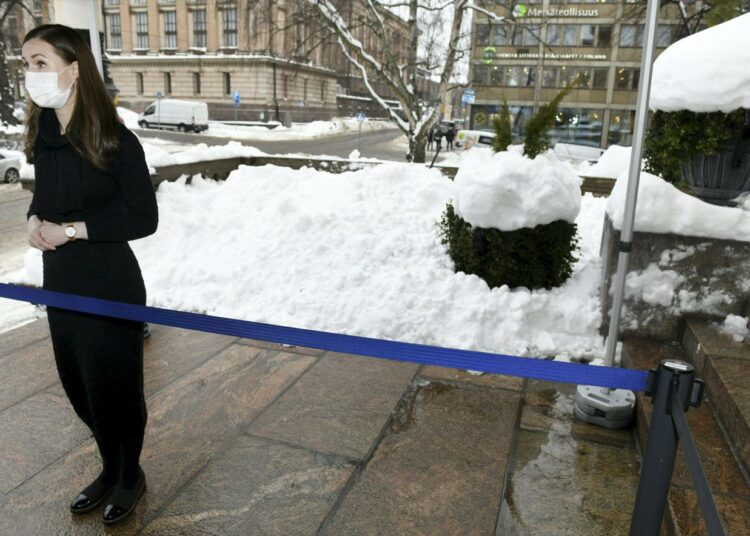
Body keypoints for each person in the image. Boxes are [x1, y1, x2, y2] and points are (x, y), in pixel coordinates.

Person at [22, 24, 158, 525]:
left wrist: (73, 231)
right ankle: (108, 467)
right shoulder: (45, 135)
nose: (31, 74)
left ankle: (130, 475)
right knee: (80, 387)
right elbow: (43, 198)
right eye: (26, 64)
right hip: (61, 284)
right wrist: (35, 221)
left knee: (115, 389)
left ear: (73, 70)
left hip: (108, 283)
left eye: (40, 63)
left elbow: (144, 218)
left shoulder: (114, 138)